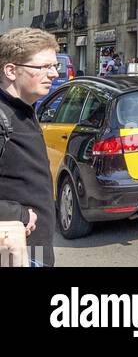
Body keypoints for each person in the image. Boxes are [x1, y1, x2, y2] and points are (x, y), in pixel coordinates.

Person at [0, 28, 61, 268]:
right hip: (13, 251)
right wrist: (19, 214)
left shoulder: (24, 108)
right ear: (11, 71)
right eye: (44, 67)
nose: (54, 74)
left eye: (54, 66)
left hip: (34, 248)